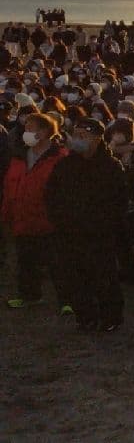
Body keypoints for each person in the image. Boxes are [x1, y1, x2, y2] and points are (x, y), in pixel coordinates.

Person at [46, 117, 129, 332]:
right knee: (75, 277)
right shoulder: (65, 165)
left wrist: (106, 225)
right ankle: (86, 317)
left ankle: (110, 317)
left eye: (83, 136)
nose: (77, 139)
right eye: (76, 135)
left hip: (99, 234)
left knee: (104, 276)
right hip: (69, 232)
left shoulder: (110, 166)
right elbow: (51, 195)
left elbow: (119, 200)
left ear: (97, 138)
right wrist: (59, 220)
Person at [1, 113, 69, 311]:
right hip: (23, 217)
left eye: (31, 129)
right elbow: (9, 185)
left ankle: (67, 300)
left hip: (50, 218)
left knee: (58, 262)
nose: (27, 133)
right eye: (26, 129)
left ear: (45, 131)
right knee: (26, 261)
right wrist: (6, 212)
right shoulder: (19, 156)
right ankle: (29, 295)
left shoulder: (59, 157)